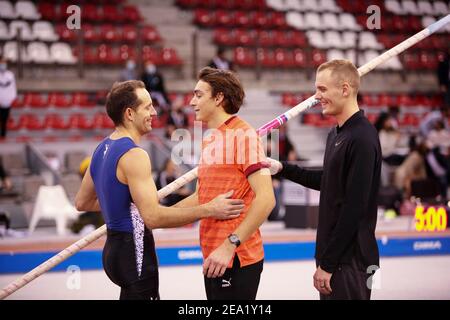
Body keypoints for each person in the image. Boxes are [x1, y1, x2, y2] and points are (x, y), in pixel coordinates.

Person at [75, 80, 245, 300]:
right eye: (147, 107)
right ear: (129, 113)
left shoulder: (101, 149)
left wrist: (127, 207)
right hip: (135, 255)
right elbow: (154, 218)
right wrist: (210, 209)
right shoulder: (134, 155)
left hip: (113, 253)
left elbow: (82, 202)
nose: (154, 112)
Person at [270, 60, 381, 300]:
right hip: (336, 258)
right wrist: (280, 167)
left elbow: (354, 208)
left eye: (322, 89)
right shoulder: (337, 133)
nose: (316, 96)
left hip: (351, 261)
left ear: (344, 89)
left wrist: (329, 264)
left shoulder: (362, 137)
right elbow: (328, 181)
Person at [175, 67, 275, 300]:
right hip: (213, 254)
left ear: (219, 97)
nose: (191, 102)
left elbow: (267, 198)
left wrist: (230, 245)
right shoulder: (211, 138)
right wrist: (156, 215)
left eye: (199, 95)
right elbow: (202, 197)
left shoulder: (244, 136)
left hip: (236, 257)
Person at [0, 56, 17, 138]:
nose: (2, 64)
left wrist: (11, 99)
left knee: (4, 119)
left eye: (4, 63)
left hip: (7, 101)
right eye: (1, 62)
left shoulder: (10, 75)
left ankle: (3, 135)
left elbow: (12, 87)